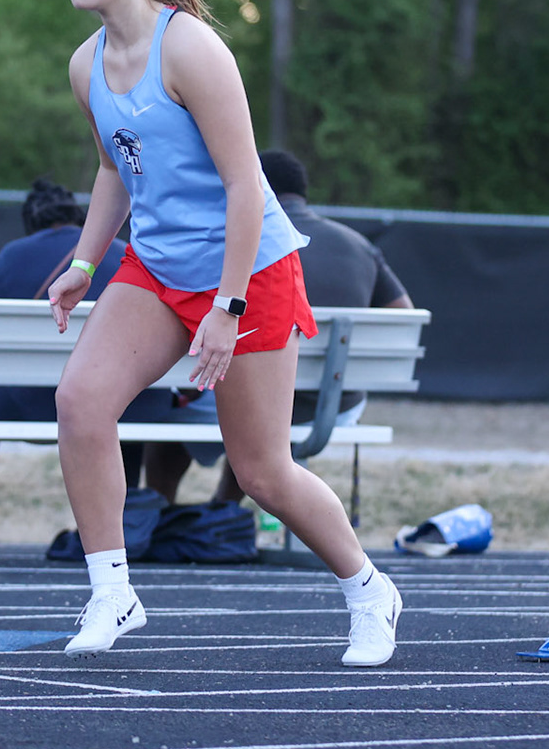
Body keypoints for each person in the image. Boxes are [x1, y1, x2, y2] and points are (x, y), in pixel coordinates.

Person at [46, 0, 400, 665]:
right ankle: (112, 592)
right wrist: (84, 262)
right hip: (158, 267)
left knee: (262, 472)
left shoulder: (192, 49)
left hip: (249, 272)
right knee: (80, 402)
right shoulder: (85, 64)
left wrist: (227, 308)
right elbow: (112, 170)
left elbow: (246, 184)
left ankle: (368, 588)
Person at [143, 148, 414, 504]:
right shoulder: (358, 245)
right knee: (250, 410)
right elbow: (403, 315)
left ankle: (159, 509)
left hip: (254, 400)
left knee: (177, 414)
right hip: (335, 405)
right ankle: (223, 511)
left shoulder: (233, 240)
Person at [0, 176, 185, 558]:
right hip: (124, 404)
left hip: (34, 404)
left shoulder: (13, 255)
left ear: (30, 223)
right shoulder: (125, 253)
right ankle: (125, 519)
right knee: (125, 398)